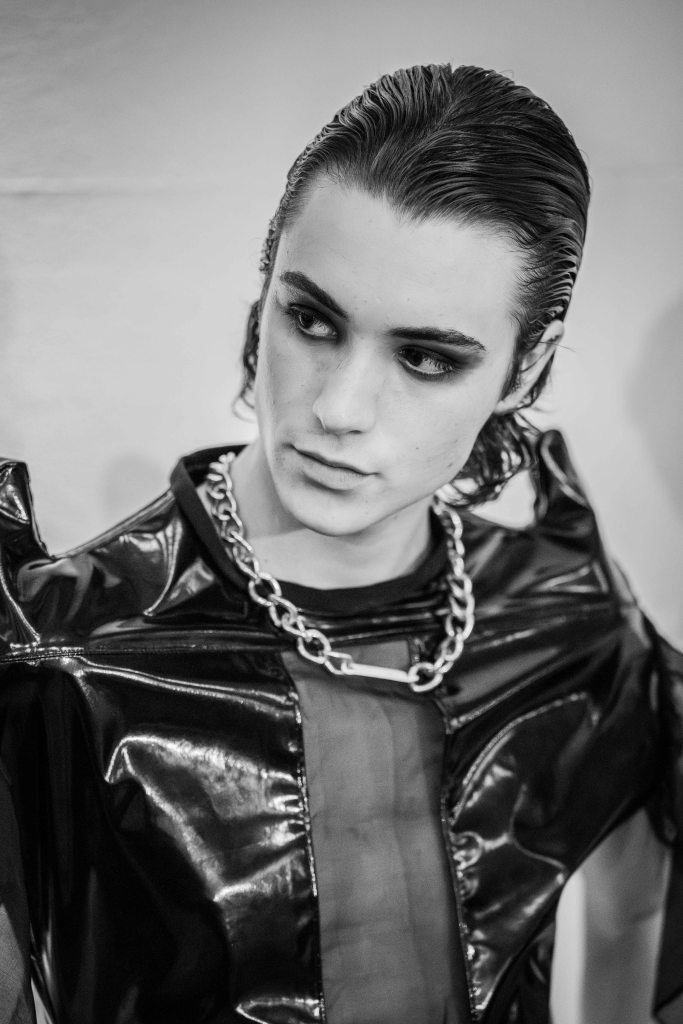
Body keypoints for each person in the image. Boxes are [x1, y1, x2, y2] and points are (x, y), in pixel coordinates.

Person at [0, 63, 680, 1024]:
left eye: (425, 357)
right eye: (312, 319)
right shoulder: (64, 654)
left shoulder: (561, 621)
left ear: (526, 368)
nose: (338, 408)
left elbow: (629, 915)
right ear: (265, 291)